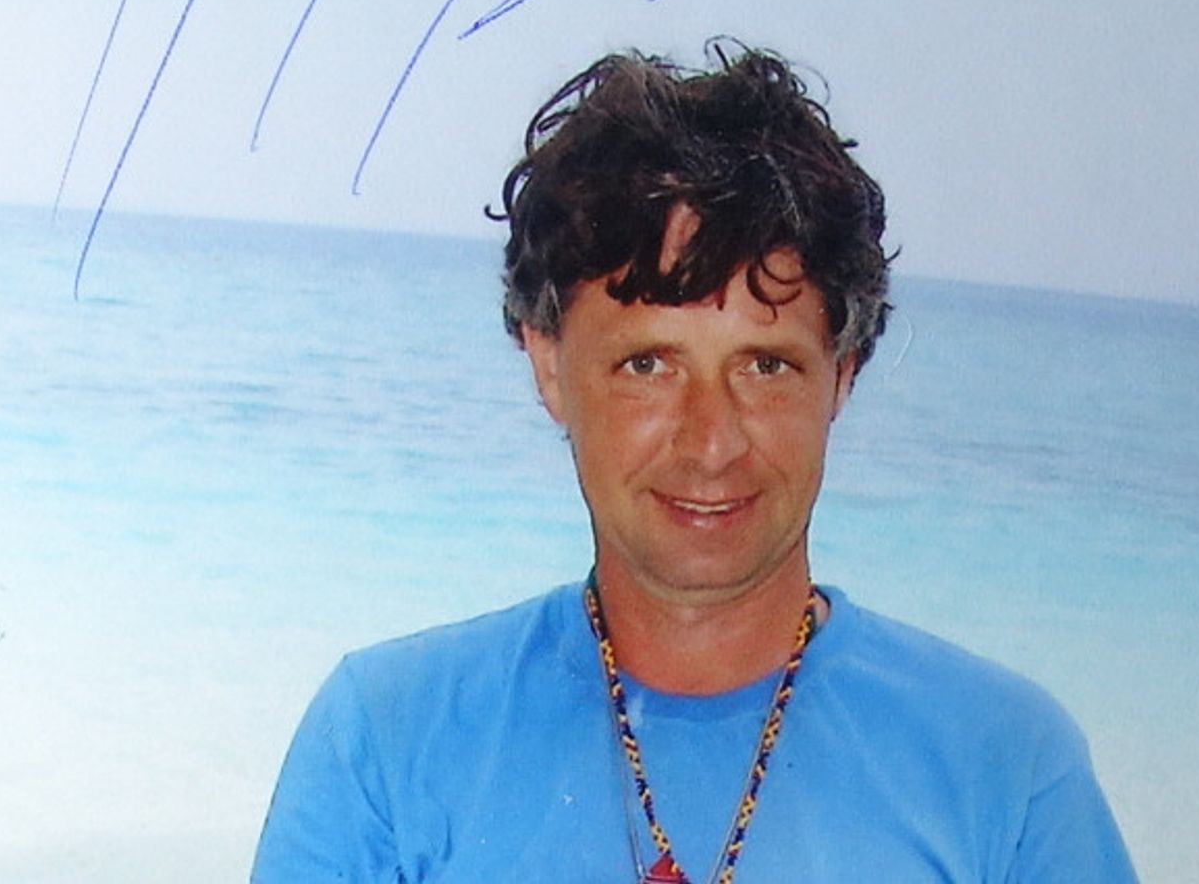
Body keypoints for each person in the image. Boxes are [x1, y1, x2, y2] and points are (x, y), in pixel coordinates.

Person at [250, 46, 1137, 881]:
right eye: (649, 364)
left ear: (842, 373)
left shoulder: (1007, 770)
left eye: (766, 367)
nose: (712, 442)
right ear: (549, 365)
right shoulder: (386, 744)